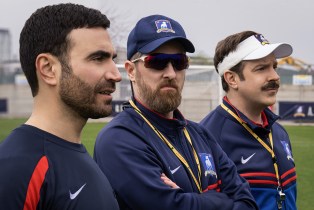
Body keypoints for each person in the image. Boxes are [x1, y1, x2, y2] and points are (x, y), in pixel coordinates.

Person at [94, 14, 258, 210]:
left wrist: (189, 200)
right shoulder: (119, 139)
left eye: (179, 62)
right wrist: (222, 200)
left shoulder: (200, 134)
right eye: (157, 61)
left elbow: (248, 203)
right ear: (130, 70)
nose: (171, 73)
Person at [0, 3, 121, 209]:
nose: (115, 75)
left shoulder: (78, 154)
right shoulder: (17, 167)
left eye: (112, 59)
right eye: (98, 58)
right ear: (48, 69)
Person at [200, 31, 297, 210]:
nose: (275, 76)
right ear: (232, 79)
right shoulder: (206, 139)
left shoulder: (279, 131)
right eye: (261, 68)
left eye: (274, 66)